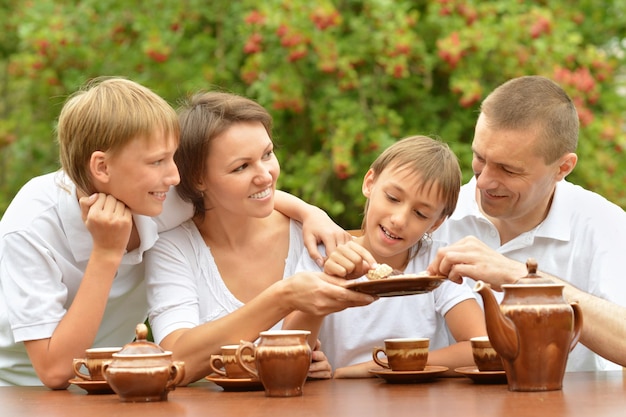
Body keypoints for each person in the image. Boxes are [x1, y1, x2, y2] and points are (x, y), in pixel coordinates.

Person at [0, 79, 352, 389]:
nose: (174, 176)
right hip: (20, 392)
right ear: (102, 167)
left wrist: (310, 213)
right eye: (157, 162)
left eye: (173, 158)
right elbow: (56, 372)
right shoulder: (29, 230)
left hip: (114, 387)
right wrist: (107, 253)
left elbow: (237, 189)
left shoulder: (157, 194)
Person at [144, 91, 376, 386]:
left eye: (267, 154)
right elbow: (176, 361)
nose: (265, 175)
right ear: (198, 179)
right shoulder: (173, 247)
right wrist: (283, 296)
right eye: (241, 167)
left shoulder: (311, 235)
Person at [427, 75, 626, 371]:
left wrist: (524, 281)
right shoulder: (433, 213)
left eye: (508, 169)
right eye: (479, 157)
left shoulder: (603, 223)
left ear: (563, 167)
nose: (483, 181)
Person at [286, 135, 487, 378]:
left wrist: (375, 368)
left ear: (436, 224)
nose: (399, 220)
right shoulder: (323, 255)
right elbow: (289, 351)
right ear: (370, 183)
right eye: (392, 198)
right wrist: (329, 281)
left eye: (421, 214)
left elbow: (480, 348)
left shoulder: (438, 264)